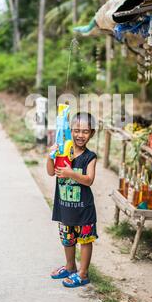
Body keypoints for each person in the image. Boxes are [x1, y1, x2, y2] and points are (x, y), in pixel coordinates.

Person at [46, 112, 98, 288]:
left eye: (85, 131)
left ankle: (82, 274)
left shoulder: (90, 157)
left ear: (92, 133)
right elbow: (51, 172)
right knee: (67, 239)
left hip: (83, 209)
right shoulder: (62, 152)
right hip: (65, 206)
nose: (80, 135)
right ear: (70, 131)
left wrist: (71, 173)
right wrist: (50, 156)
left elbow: (89, 180)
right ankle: (70, 267)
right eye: (76, 130)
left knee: (85, 240)